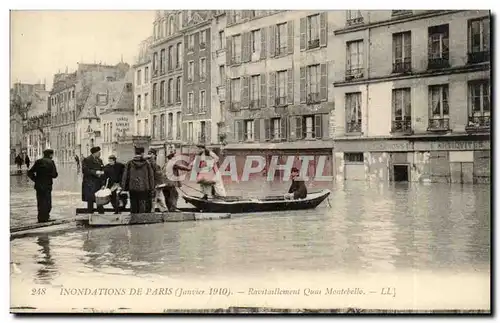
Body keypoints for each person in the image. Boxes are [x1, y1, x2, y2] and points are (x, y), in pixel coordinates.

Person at [27, 149, 58, 223]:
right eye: (52, 155)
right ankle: (46, 217)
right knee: (47, 202)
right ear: (50, 155)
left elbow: (30, 172)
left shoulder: (38, 161)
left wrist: (35, 179)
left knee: (40, 201)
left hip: (38, 185)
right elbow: (54, 175)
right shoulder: (51, 162)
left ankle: (40, 218)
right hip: (47, 185)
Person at [121, 146, 155, 214]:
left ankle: (134, 217)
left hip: (132, 187)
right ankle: (141, 218)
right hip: (144, 187)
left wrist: (124, 187)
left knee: (133, 203)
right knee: (142, 202)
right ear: (142, 153)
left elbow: (125, 176)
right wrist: (152, 188)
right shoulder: (147, 163)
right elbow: (151, 176)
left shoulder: (130, 163)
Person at [82, 146, 105, 214]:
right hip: (89, 183)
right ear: (94, 153)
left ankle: (101, 214)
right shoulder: (87, 160)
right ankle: (90, 215)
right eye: (98, 152)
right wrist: (95, 172)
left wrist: (103, 173)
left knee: (99, 198)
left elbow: (102, 169)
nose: (99, 153)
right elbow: (85, 170)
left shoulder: (100, 160)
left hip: (98, 183)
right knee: (90, 200)